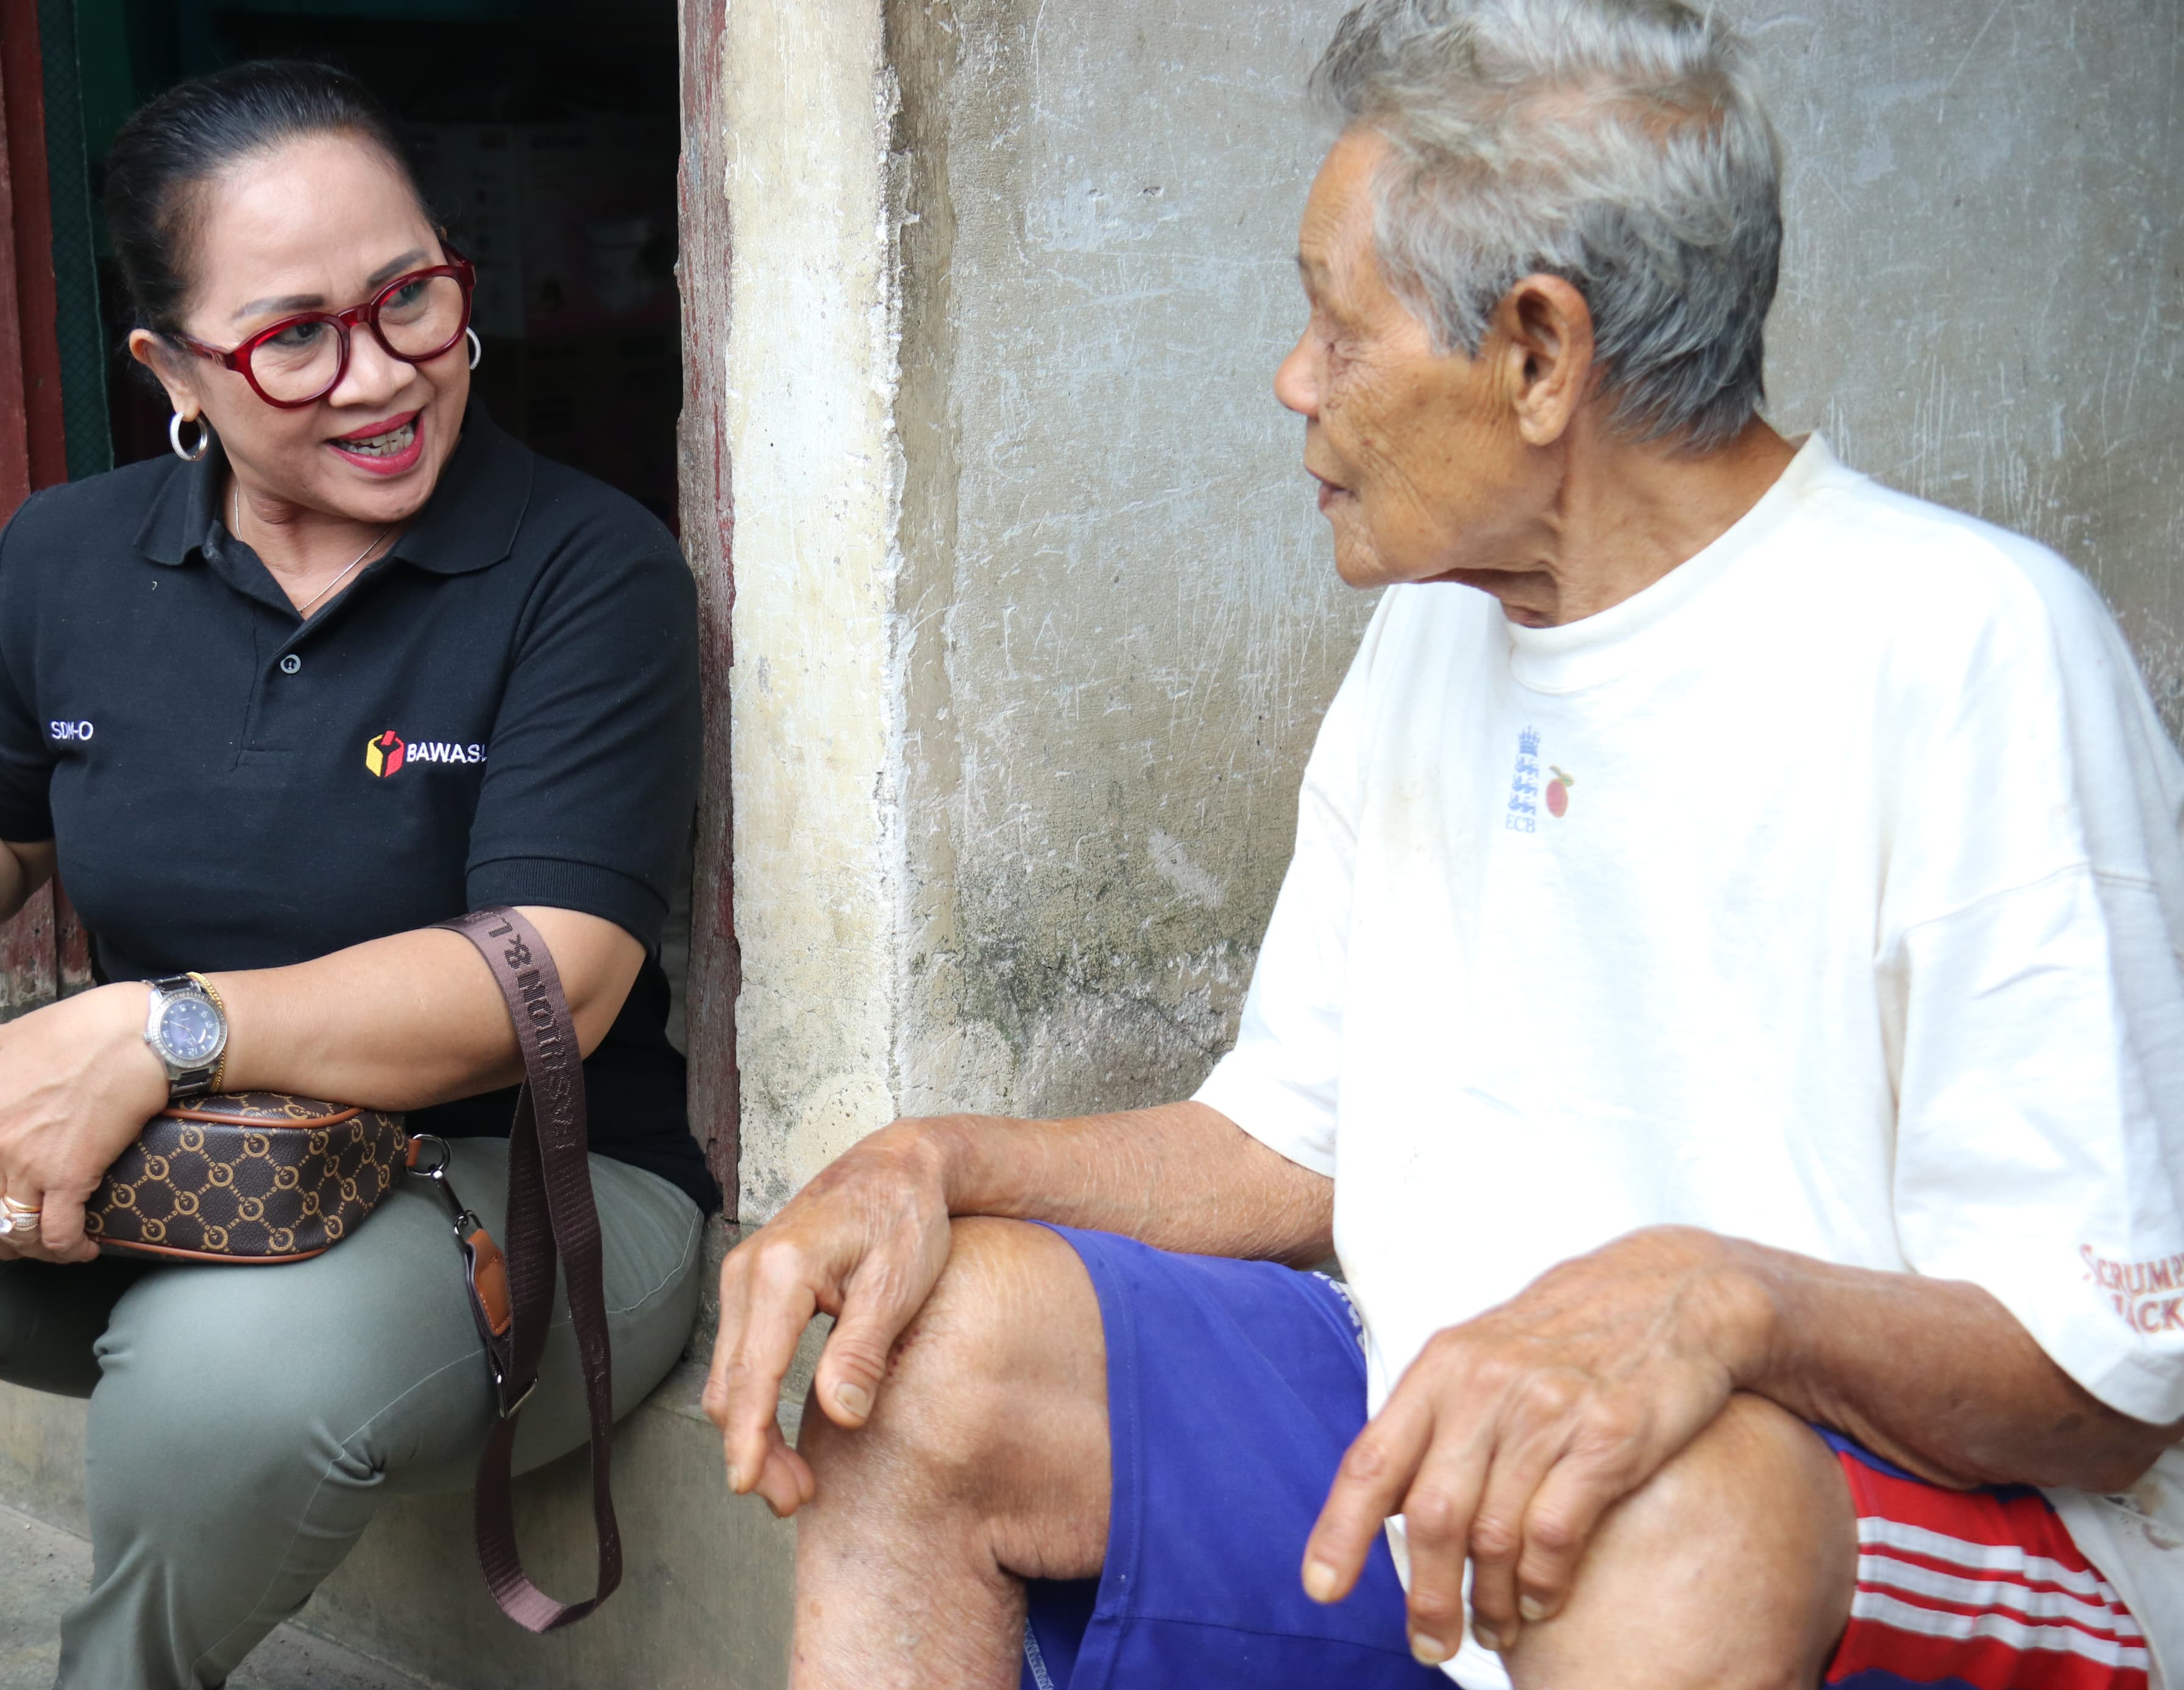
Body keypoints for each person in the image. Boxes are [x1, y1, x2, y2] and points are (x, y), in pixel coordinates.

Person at [702, 4, 2184, 1689]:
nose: (1295, 379)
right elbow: (1289, 1147)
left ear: (1540, 356)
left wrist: (1717, 1305)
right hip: (1444, 1482)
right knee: (926, 1352)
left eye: (1338, 327)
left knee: (1654, 1511)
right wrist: (930, 1162)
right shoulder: (1439, 622)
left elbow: (2107, 1384)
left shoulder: (1970, 648)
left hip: (1857, 1530)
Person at [0, 59, 712, 1689]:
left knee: (225, 1360)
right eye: (294, 335)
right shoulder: (73, 554)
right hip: (190, 1159)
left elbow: (554, 976)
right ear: (171, 368)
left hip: (519, 1178)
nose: (381, 373)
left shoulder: (585, 572)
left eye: (411, 298)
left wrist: (158, 1030)